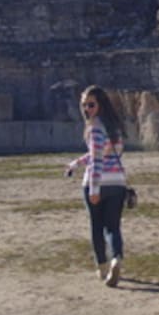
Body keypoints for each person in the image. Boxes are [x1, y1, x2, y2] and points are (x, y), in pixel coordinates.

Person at [65, 85, 128, 287]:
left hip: (99, 182)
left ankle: (102, 266)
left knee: (96, 227)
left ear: (100, 104)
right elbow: (106, 154)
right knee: (113, 227)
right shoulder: (115, 127)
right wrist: (77, 163)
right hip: (118, 182)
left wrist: (94, 188)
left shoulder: (94, 127)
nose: (87, 109)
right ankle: (117, 258)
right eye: (84, 105)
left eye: (91, 105)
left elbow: (97, 159)